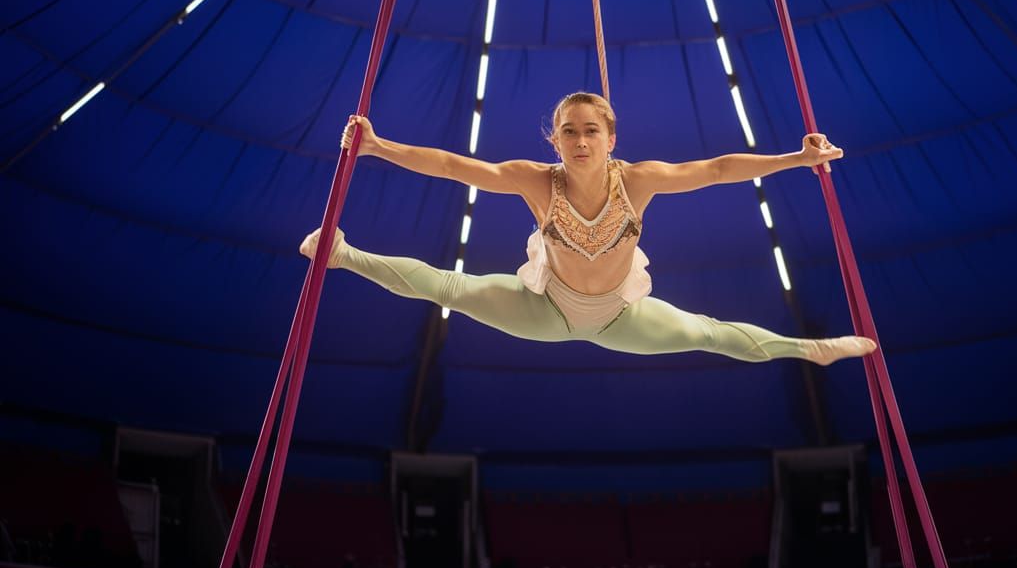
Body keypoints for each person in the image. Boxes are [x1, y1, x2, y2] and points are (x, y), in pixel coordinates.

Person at [301, 92, 876, 365]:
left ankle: (812, 350)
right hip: (546, 308)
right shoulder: (536, 181)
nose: (580, 142)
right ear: (554, 140)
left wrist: (794, 160)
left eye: (591, 132)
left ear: (611, 139)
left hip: (622, 316)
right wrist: (377, 146)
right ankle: (344, 255)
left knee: (710, 333)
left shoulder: (640, 180)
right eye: (569, 132)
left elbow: (722, 169)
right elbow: (455, 166)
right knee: (447, 287)